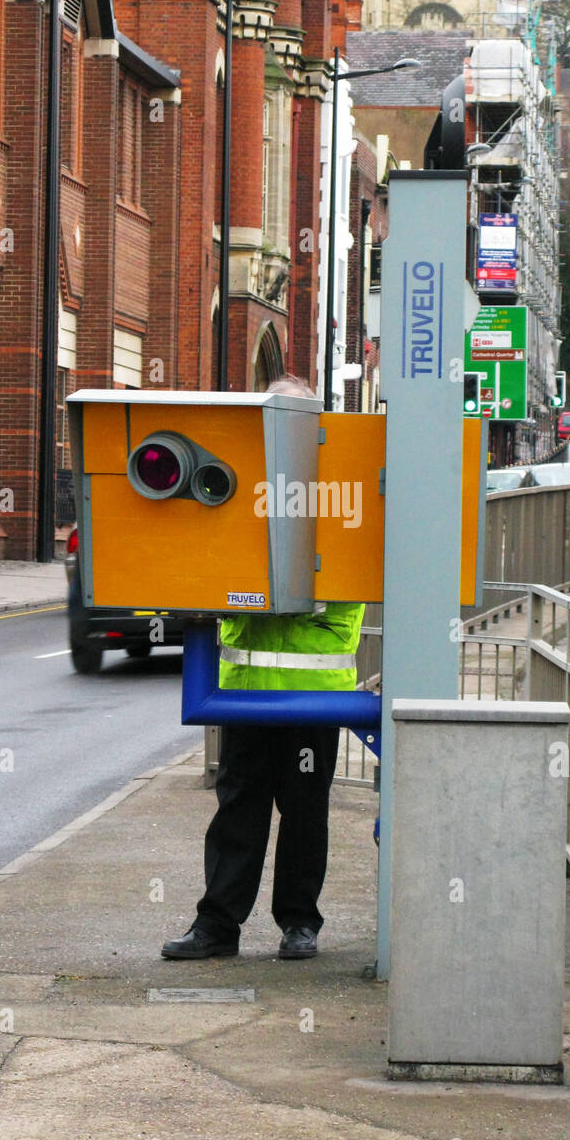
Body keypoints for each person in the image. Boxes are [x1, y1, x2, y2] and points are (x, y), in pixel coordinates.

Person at [162, 376, 365, 962]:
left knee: (304, 816)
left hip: (310, 698)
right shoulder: (244, 486)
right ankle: (217, 927)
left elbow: (343, 587)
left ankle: (299, 924)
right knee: (238, 812)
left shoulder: (334, 495)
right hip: (248, 695)